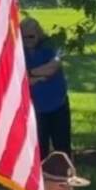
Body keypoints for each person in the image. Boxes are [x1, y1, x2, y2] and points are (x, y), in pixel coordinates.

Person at [21, 18, 71, 157]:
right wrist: (35, 76)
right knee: (39, 149)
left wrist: (30, 73)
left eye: (31, 36)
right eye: (23, 36)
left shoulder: (50, 45)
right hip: (35, 108)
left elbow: (52, 67)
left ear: (38, 33)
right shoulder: (19, 51)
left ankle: (65, 176)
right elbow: (19, 78)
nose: (27, 40)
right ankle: (42, 178)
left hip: (57, 104)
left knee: (62, 147)